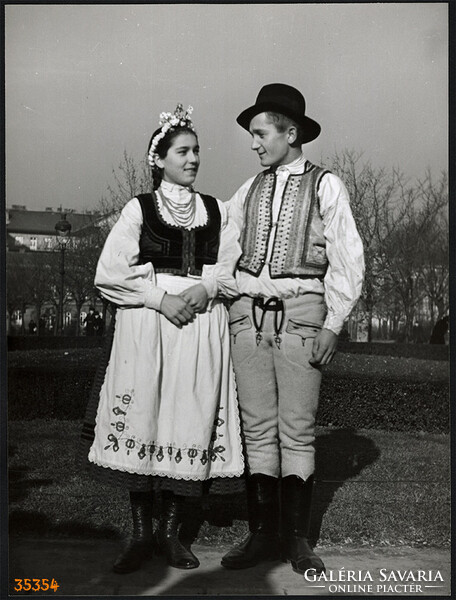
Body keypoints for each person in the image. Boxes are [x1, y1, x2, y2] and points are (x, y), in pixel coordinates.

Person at [81, 104, 244, 574]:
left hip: (200, 327)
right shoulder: (139, 209)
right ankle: (139, 536)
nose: (193, 159)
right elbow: (109, 274)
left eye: (196, 151)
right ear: (161, 159)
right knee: (147, 416)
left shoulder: (217, 210)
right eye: (182, 151)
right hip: (149, 326)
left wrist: (206, 287)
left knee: (187, 420)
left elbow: (228, 270)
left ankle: (171, 535)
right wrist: (157, 299)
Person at [221, 84, 364, 575]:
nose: (255, 144)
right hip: (249, 319)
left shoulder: (326, 185)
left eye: (261, 134)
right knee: (257, 430)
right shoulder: (249, 189)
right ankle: (262, 535)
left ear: (291, 132)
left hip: (303, 317)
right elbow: (223, 249)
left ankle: (298, 540)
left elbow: (348, 256)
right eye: (253, 136)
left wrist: (334, 322)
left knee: (297, 432)